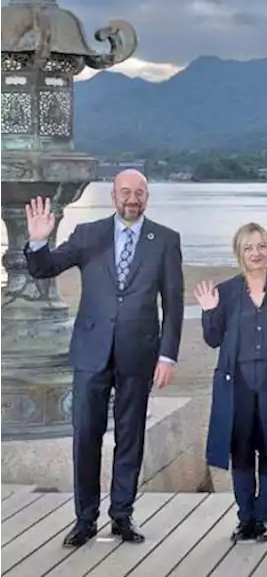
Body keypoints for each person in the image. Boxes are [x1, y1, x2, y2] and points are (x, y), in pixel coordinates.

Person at [23, 169, 184, 548]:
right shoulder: (88, 234)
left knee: (130, 438)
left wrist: (168, 356)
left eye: (139, 193)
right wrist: (37, 241)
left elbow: (174, 305)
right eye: (125, 192)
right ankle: (84, 519)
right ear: (113, 196)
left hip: (139, 354)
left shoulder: (164, 240)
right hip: (91, 353)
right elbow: (45, 268)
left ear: (147, 197)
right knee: (86, 437)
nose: (133, 198)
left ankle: (122, 517)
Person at [194, 223, 267, 543]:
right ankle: (245, 520)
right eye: (248, 248)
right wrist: (208, 311)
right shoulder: (226, 291)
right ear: (239, 253)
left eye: (261, 246)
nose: (256, 253)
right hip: (237, 384)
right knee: (241, 454)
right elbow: (213, 340)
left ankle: (263, 520)